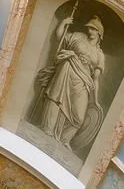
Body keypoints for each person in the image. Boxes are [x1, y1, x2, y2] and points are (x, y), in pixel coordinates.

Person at [32, 15, 106, 152]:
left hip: (83, 82)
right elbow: (60, 38)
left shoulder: (100, 55)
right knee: (55, 98)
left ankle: (64, 139)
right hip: (66, 71)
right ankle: (47, 129)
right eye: (89, 28)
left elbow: (95, 78)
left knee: (79, 116)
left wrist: (95, 101)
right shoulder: (77, 37)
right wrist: (63, 23)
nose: (90, 31)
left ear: (99, 33)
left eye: (94, 29)